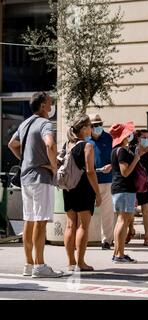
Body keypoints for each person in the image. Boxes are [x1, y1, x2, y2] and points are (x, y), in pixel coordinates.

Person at [8, 91, 63, 278]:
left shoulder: (24, 123)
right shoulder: (45, 123)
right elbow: (50, 144)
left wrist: (26, 160)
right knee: (40, 222)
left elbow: (12, 144)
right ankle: (40, 265)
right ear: (42, 106)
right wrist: (54, 165)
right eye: (49, 102)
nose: (51, 104)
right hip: (41, 177)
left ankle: (29, 264)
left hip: (26, 178)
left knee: (29, 221)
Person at [63, 114, 101, 272]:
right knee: (83, 226)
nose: (92, 129)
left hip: (69, 187)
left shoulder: (67, 145)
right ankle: (80, 263)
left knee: (70, 225)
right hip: (84, 187)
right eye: (90, 126)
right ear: (84, 128)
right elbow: (90, 172)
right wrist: (98, 193)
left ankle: (71, 262)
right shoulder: (87, 146)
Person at [110, 122, 144, 263]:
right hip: (124, 188)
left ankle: (118, 252)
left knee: (121, 220)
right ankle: (119, 254)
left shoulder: (116, 151)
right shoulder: (122, 151)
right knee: (123, 221)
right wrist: (136, 159)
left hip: (120, 189)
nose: (130, 135)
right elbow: (125, 172)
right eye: (128, 134)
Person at [87, 114, 114, 250]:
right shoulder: (86, 140)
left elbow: (115, 157)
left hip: (107, 180)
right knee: (85, 211)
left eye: (99, 124)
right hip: (89, 181)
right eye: (93, 125)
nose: (97, 127)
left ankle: (107, 240)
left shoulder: (109, 138)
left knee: (107, 212)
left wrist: (111, 165)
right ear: (89, 127)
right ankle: (82, 238)